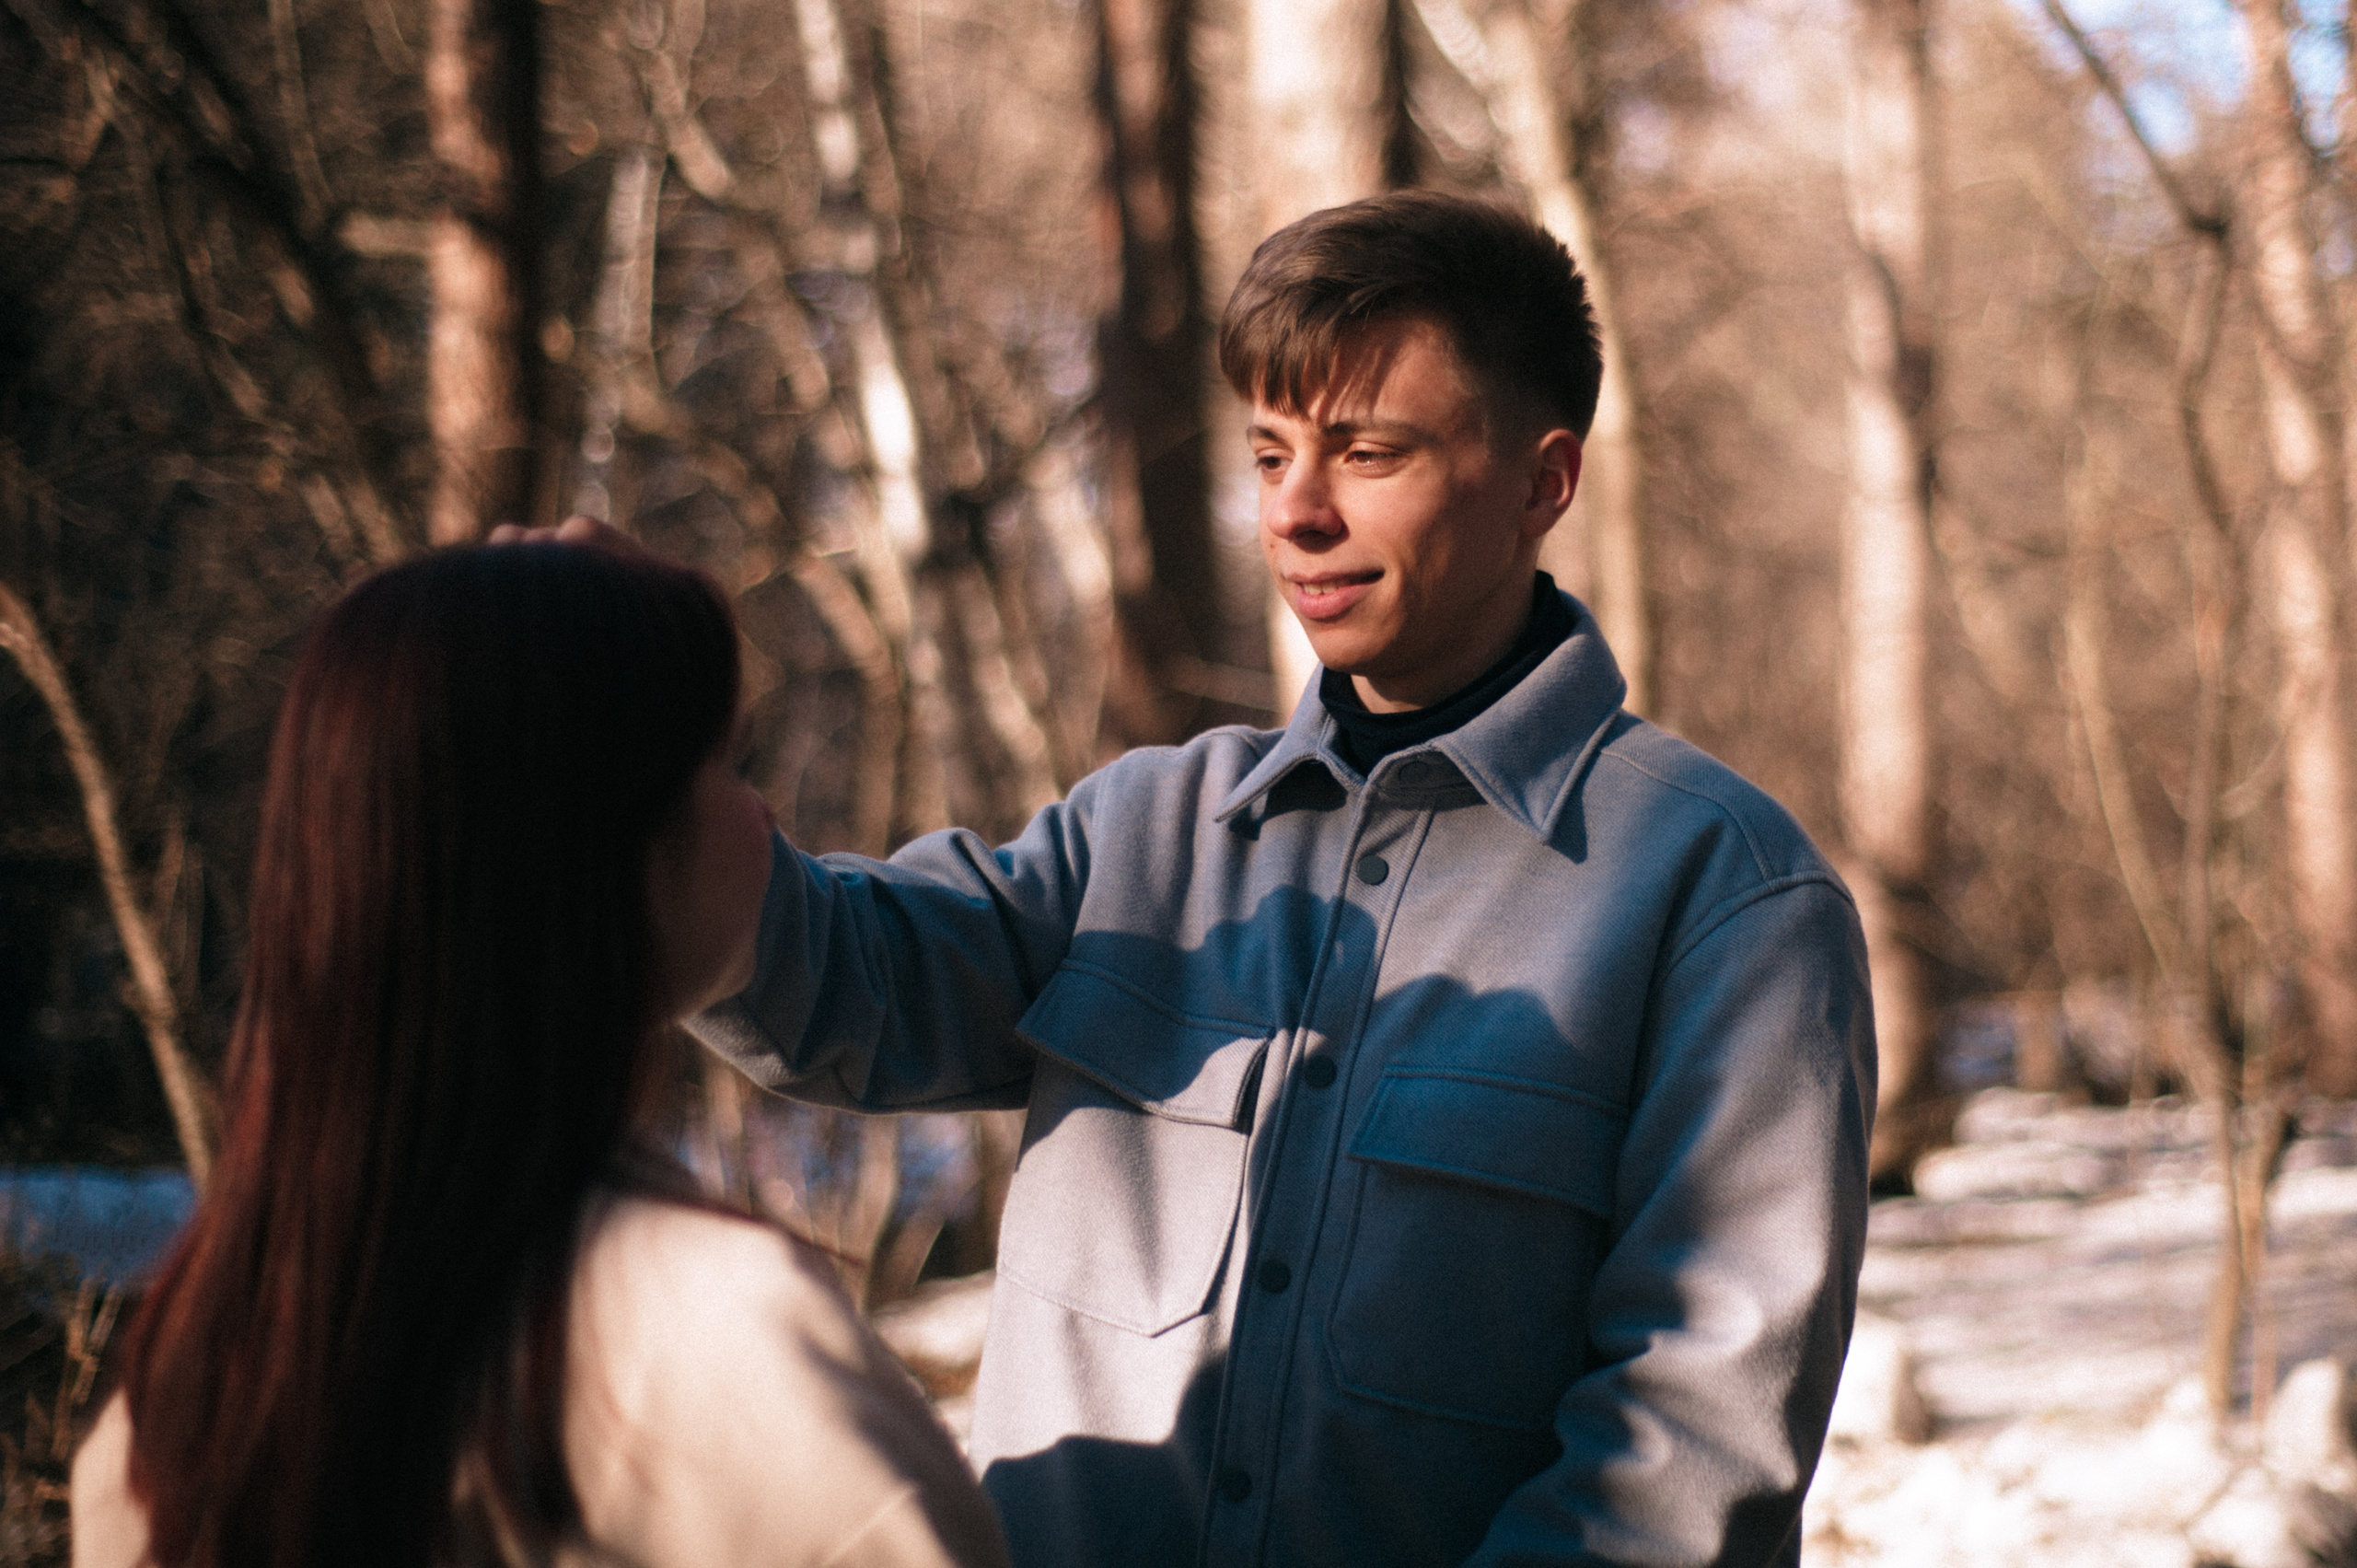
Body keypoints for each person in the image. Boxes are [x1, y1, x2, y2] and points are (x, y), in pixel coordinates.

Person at [692, 189, 1877, 1565]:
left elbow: (1691, 1446)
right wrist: (636, 778)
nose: (1297, 513)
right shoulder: (1140, 831)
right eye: (1268, 455)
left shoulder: (1726, 901)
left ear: (1543, 481)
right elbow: (838, 984)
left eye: (1368, 451)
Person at [70, 545, 1011, 1568]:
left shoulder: (183, 1386)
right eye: (728, 765)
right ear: (602, 846)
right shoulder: (724, 1340)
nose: (765, 815)